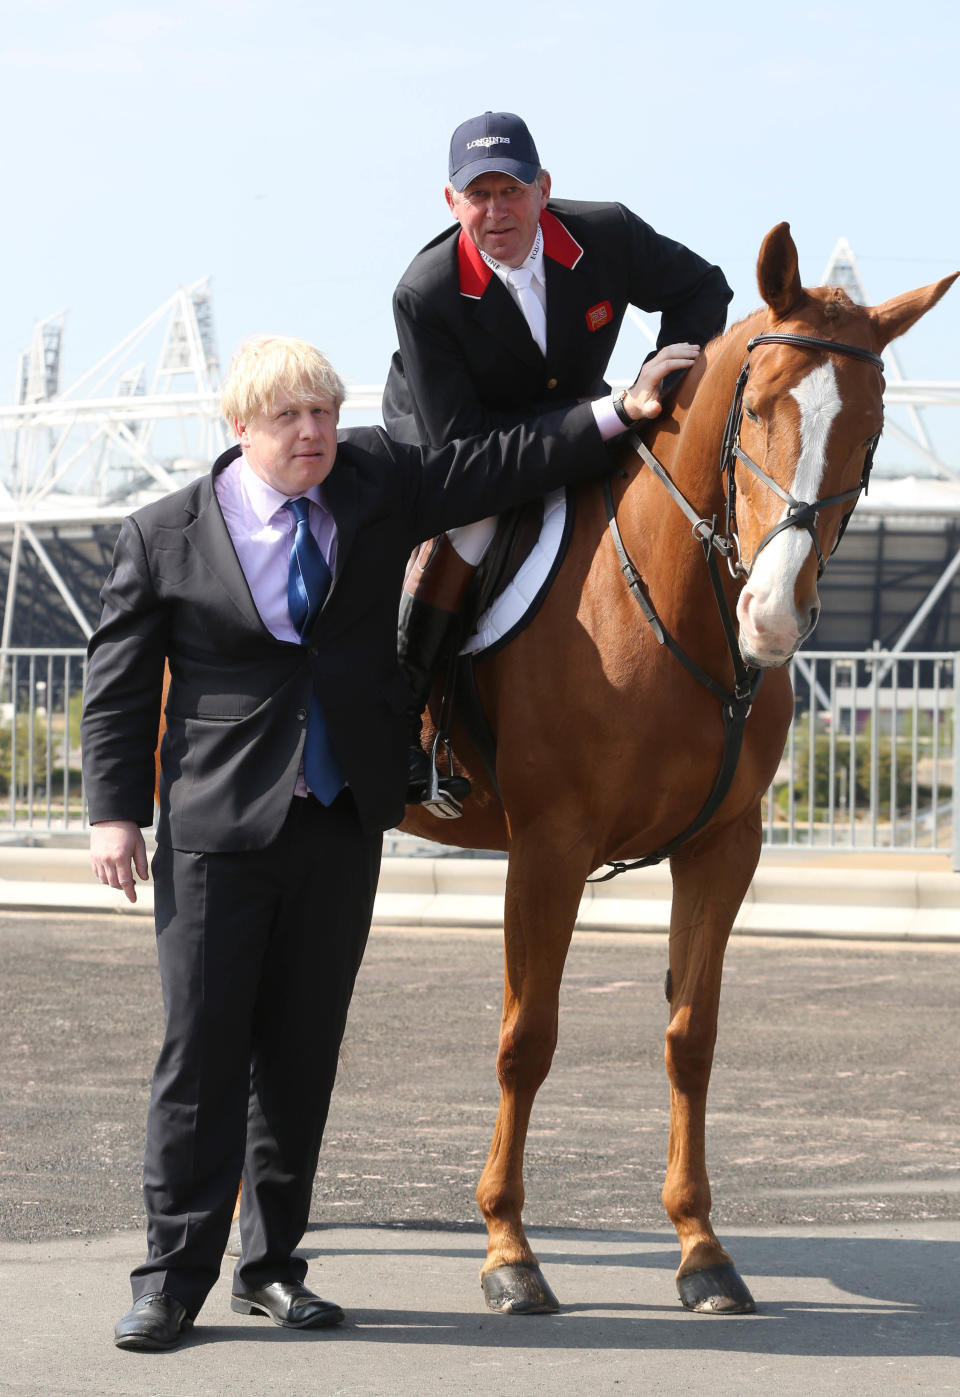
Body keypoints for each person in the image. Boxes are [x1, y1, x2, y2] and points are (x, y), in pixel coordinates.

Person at [82, 332, 692, 1353]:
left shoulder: (372, 486)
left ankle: (272, 1266)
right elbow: (117, 687)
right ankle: (170, 1277)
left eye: (324, 412)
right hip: (215, 830)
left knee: (302, 1054)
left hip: (339, 817)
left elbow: (495, 466)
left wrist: (619, 412)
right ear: (241, 429)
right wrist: (114, 814)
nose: (315, 431)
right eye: (291, 418)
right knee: (202, 1056)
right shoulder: (163, 533)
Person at [383, 110, 733, 800]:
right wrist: (612, 410)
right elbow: (473, 454)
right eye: (477, 196)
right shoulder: (424, 294)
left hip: (573, 413)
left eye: (510, 190)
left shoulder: (606, 233)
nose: (495, 211)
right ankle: (403, 721)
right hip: (453, 438)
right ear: (451, 203)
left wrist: (663, 384)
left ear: (543, 188)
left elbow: (705, 287)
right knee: (471, 528)